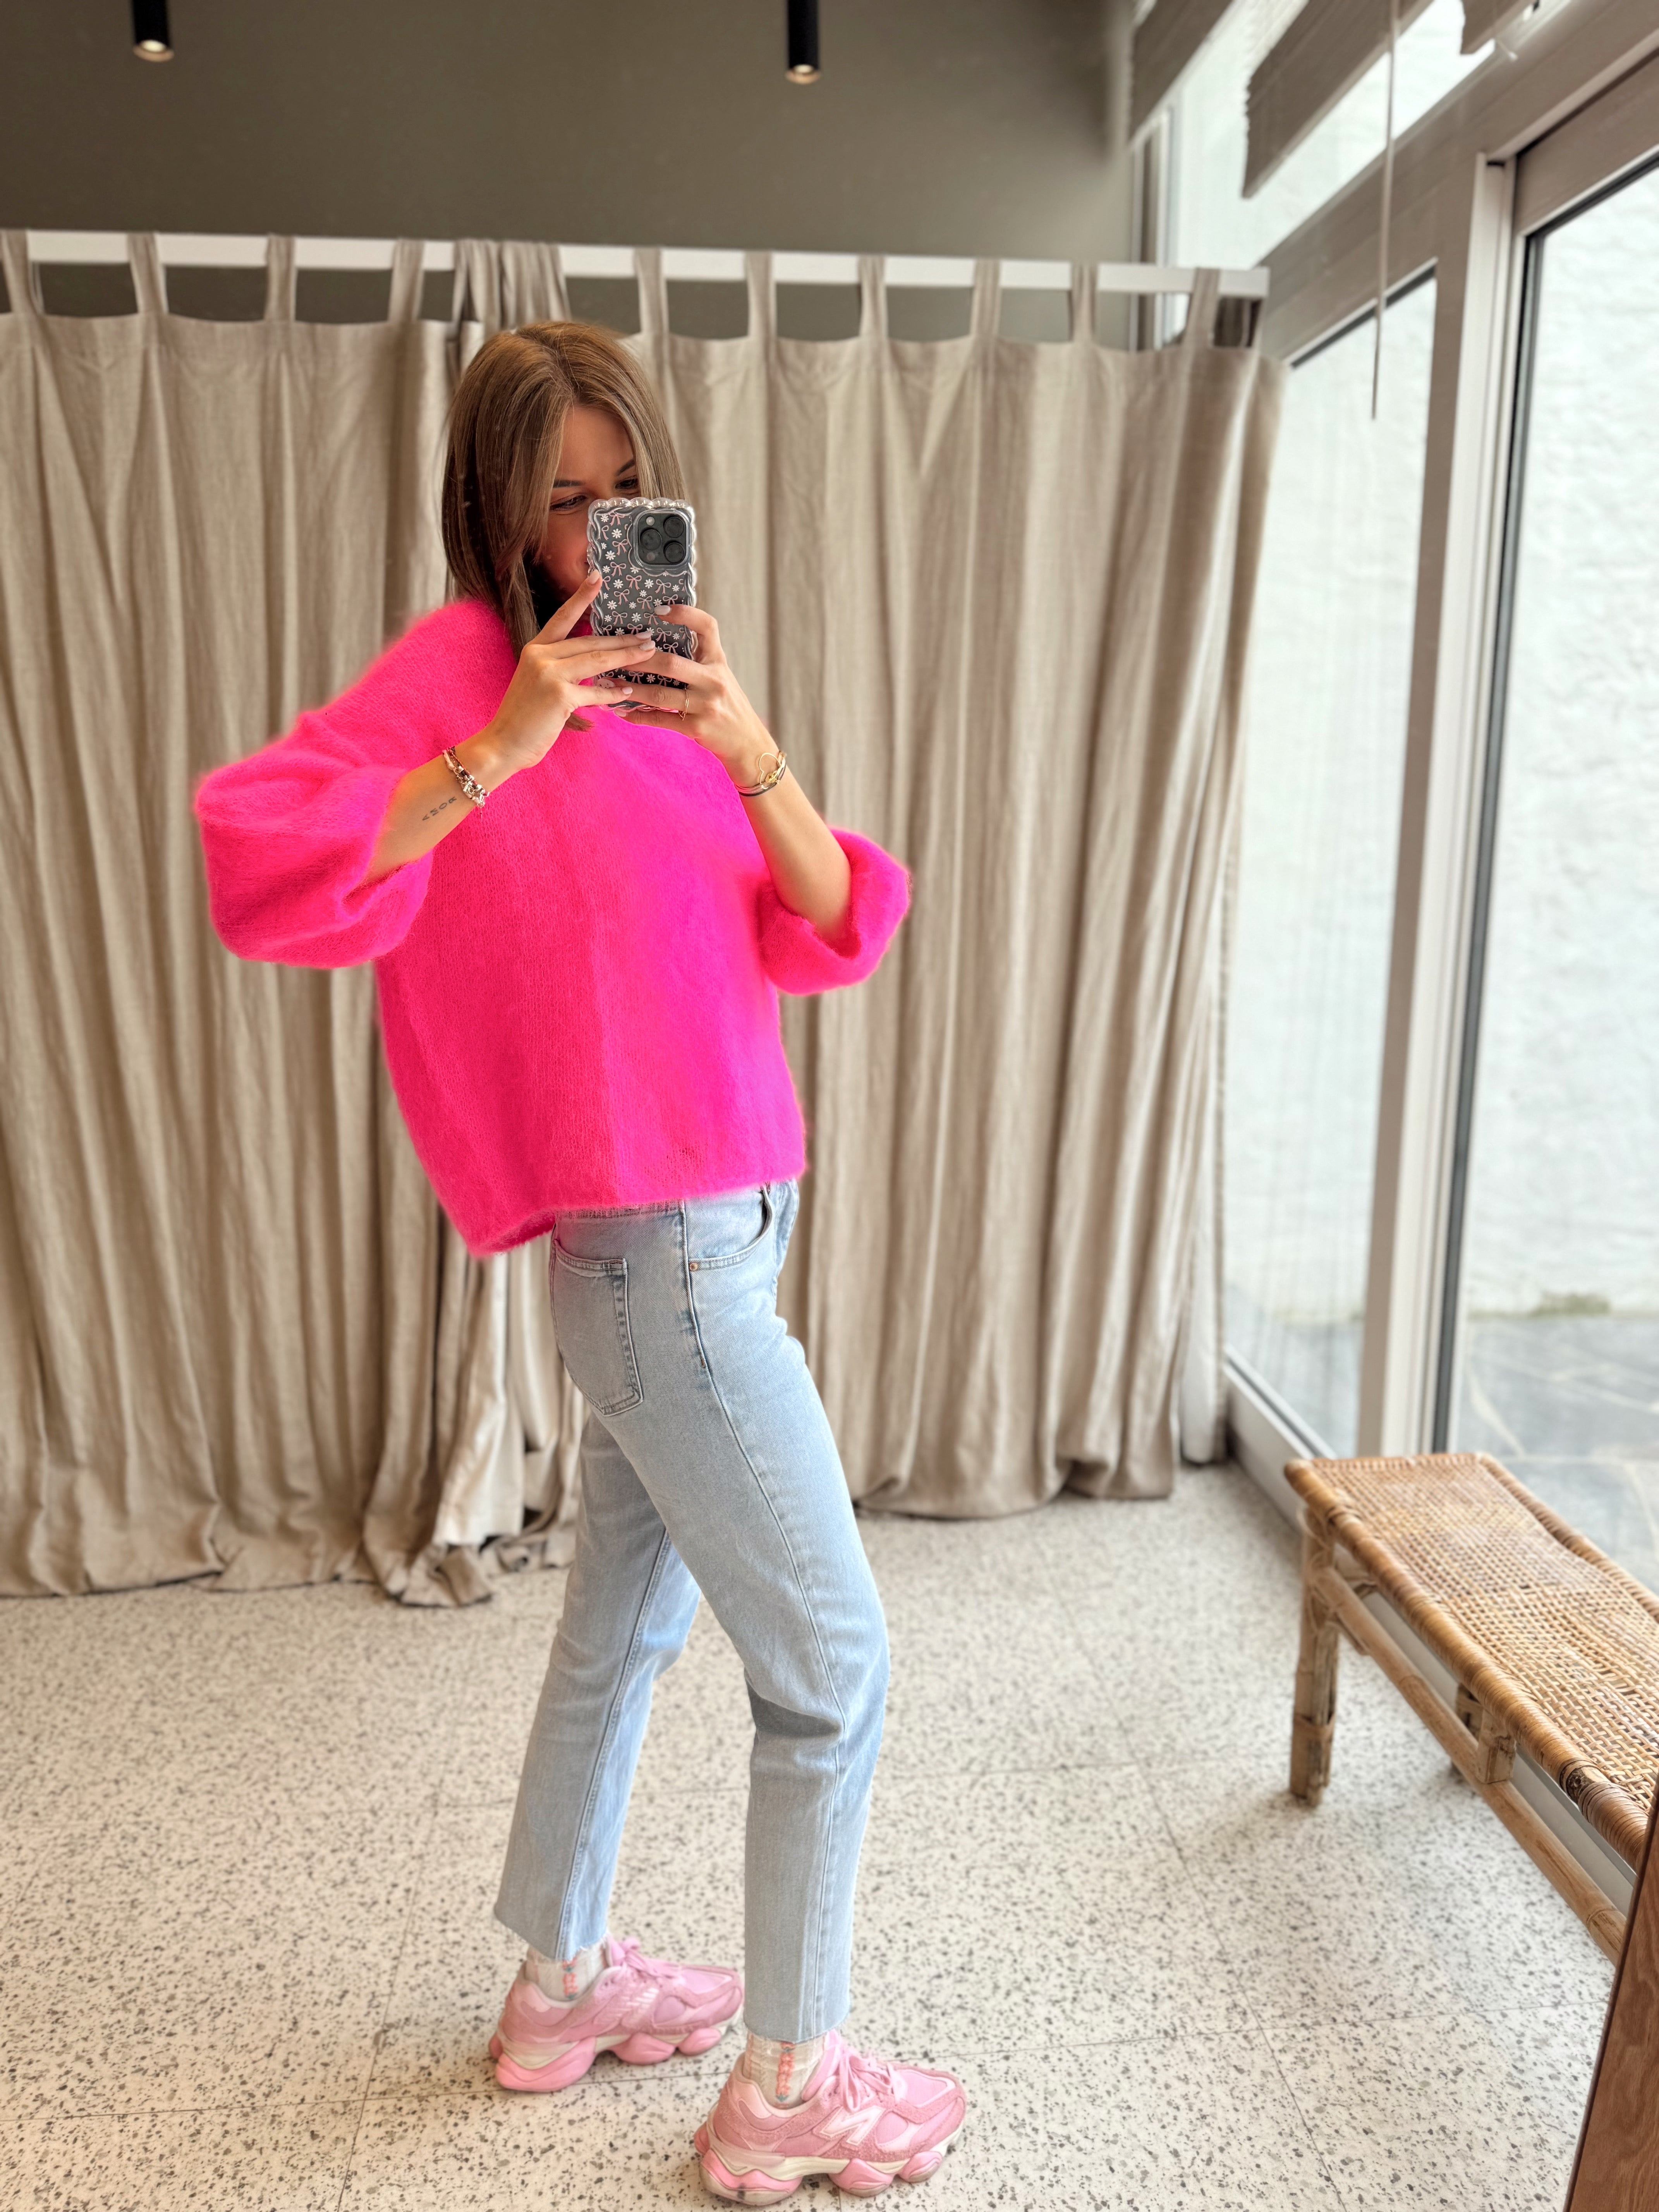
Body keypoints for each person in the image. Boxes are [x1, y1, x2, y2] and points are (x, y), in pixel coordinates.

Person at [193, 319, 965, 2202]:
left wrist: (751, 750)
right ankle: (792, 2087)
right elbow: (263, 857)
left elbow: (824, 923)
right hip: (659, 1268)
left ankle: (561, 1988)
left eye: (628, 491)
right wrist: (499, 745)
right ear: (495, 504)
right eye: (563, 498)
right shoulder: (465, 679)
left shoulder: (674, 696)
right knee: (834, 1668)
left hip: (713, 1244)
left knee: (624, 1627)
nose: (600, 530)